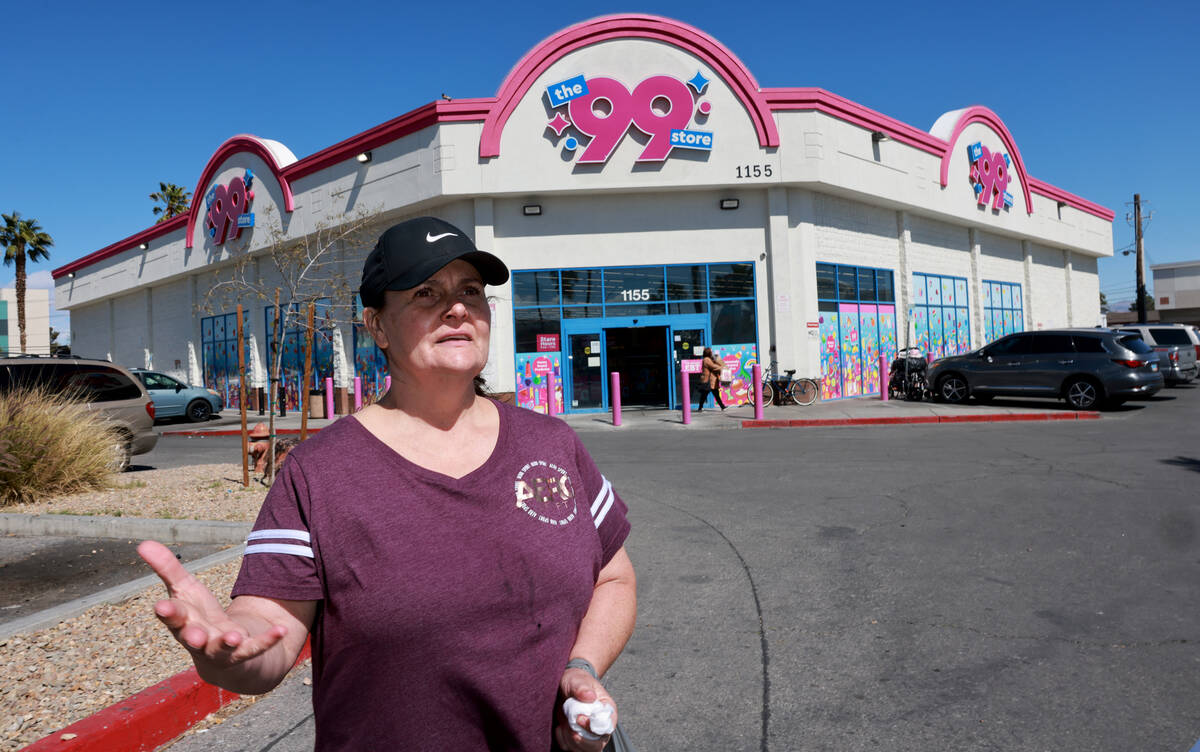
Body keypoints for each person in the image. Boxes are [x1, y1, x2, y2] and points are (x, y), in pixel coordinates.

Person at [138, 217, 637, 751]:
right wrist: (231, 650)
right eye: (427, 293)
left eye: (471, 291)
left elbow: (614, 579)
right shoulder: (319, 472)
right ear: (376, 327)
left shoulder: (551, 444)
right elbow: (267, 625)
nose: (457, 308)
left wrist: (581, 668)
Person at [696, 347, 727, 412]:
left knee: (715, 394)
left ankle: (722, 406)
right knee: (705, 394)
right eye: (711, 351)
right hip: (708, 380)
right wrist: (721, 367)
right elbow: (713, 366)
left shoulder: (708, 359)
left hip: (711, 380)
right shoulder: (706, 359)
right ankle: (700, 407)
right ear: (708, 353)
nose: (712, 353)